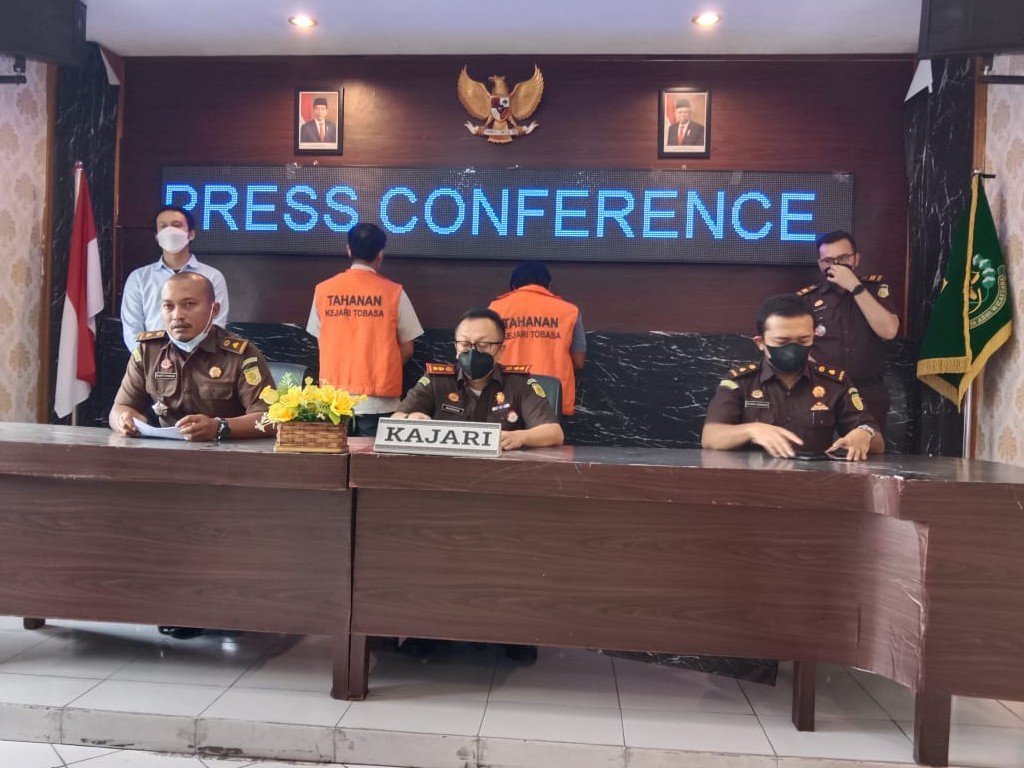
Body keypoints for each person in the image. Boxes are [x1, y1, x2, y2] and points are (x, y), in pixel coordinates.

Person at [109, 271, 273, 641]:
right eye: (168, 306)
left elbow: (271, 418)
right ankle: (173, 604)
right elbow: (121, 406)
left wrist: (220, 427)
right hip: (166, 473)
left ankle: (219, 605)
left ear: (213, 309)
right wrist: (125, 420)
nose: (177, 315)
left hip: (228, 477)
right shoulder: (148, 351)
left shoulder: (240, 354)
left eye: (188, 305)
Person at [702, 294, 883, 460]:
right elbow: (711, 437)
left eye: (803, 340)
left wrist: (864, 434)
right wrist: (752, 430)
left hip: (815, 478)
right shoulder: (741, 382)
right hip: (754, 478)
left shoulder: (834, 382)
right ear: (760, 342)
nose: (793, 349)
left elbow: (878, 444)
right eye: (782, 341)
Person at [393, 307, 564, 451]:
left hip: (502, 473)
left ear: (501, 351)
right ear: (456, 348)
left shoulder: (519, 383)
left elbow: (554, 432)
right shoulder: (436, 380)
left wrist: (520, 437)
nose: (473, 351)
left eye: (483, 345)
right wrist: (409, 420)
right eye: (465, 344)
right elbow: (395, 419)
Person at [308, 223, 423, 437]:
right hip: (379, 402)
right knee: (373, 458)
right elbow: (408, 347)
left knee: (334, 456)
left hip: (332, 401)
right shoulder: (394, 293)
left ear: (348, 250)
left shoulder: (323, 291)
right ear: (381, 254)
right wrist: (380, 368)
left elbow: (320, 340)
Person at [794, 230, 900, 430]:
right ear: (820, 264)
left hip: (868, 392)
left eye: (843, 258)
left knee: (869, 447)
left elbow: (889, 331)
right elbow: (796, 344)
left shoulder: (875, 289)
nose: (836, 265)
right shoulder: (807, 299)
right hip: (822, 392)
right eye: (828, 260)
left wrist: (855, 286)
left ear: (856, 259)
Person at [121, 205, 229, 351]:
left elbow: (216, 324)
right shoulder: (139, 278)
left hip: (201, 360)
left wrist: (194, 359)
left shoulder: (212, 276)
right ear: (157, 236)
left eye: (177, 225)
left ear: (191, 234)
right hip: (152, 359)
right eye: (163, 226)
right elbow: (132, 329)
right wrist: (150, 359)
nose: (170, 230)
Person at [488, 261, 585, 416]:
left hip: (505, 392)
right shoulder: (570, 311)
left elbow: (486, 354)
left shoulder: (495, 309)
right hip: (551, 397)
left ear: (513, 285)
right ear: (548, 285)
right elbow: (579, 361)